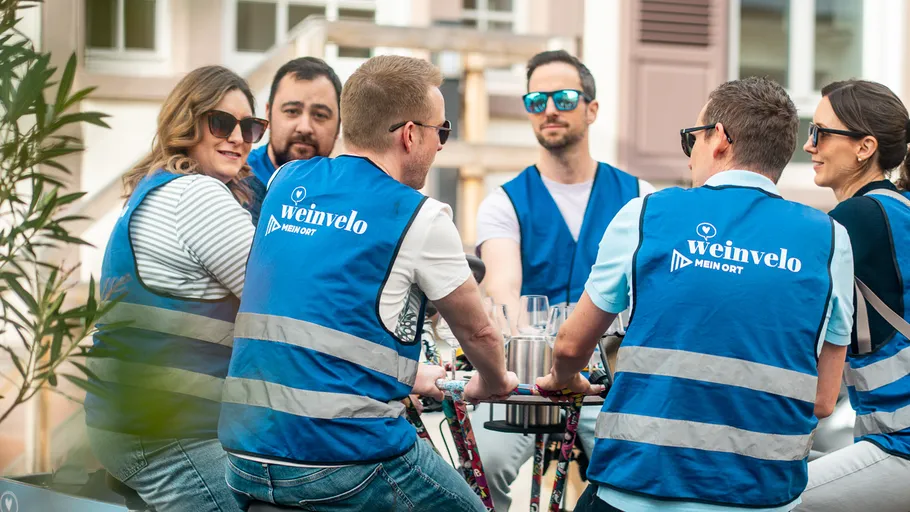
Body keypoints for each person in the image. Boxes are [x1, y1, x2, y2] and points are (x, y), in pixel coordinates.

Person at [217, 55, 520, 511]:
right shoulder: (418, 215)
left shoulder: (283, 181)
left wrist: (413, 375)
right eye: (442, 131)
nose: (441, 145)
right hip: (340, 460)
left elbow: (322, 318)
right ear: (411, 134)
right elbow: (478, 333)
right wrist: (494, 381)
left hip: (243, 455)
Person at [537, 76, 854, 512]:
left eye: (693, 140)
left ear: (720, 139)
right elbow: (822, 400)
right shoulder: (832, 239)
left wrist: (564, 378)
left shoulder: (647, 213)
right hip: (761, 496)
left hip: (639, 485)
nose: (690, 159)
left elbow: (571, 344)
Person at [471, 49, 654, 511]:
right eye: (536, 100)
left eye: (565, 97)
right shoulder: (503, 202)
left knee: (639, 473)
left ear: (592, 108)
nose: (550, 109)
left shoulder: (641, 199)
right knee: (482, 465)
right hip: (528, 380)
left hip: (607, 384)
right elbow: (504, 293)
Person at [84, 66, 268, 512]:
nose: (238, 138)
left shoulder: (155, 189)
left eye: (250, 127)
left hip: (132, 421)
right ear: (188, 122)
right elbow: (284, 307)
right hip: (166, 432)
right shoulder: (196, 196)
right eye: (221, 123)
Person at [796, 79, 910, 511]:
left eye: (821, 133)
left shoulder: (857, 218)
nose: (809, 146)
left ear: (865, 147)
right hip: (887, 439)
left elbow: (786, 313)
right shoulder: (895, 207)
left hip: (900, 446)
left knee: (770, 497)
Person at [244, 56, 342, 225]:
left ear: (339, 125)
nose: (304, 127)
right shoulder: (237, 182)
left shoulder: (348, 198)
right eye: (292, 111)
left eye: (320, 115)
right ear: (268, 113)